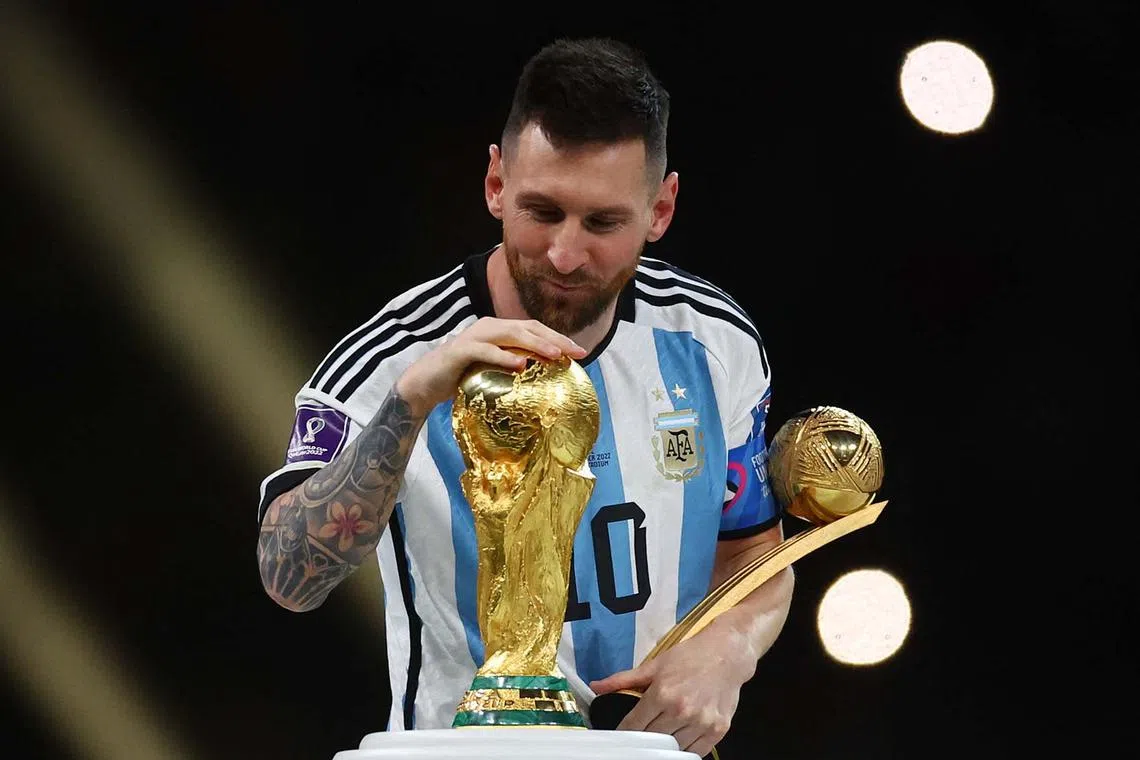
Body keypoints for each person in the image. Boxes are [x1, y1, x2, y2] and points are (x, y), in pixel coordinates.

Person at [256, 36, 794, 758]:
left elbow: (756, 551)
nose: (567, 254)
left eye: (603, 222)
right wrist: (411, 404)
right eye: (542, 212)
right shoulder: (393, 361)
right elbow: (289, 576)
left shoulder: (713, 342)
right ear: (495, 185)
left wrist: (730, 645)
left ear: (660, 208)